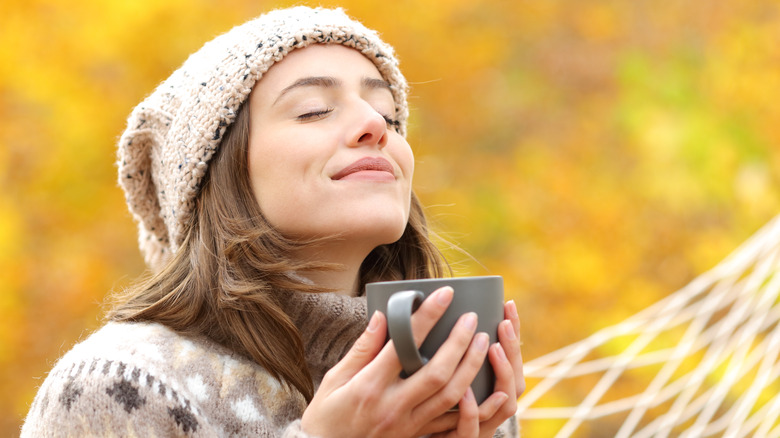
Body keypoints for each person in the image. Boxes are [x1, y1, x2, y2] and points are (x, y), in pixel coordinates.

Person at [21, 6, 524, 437]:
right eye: (313, 110)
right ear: (218, 173)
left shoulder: (445, 377)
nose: (375, 127)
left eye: (389, 117)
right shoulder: (113, 383)